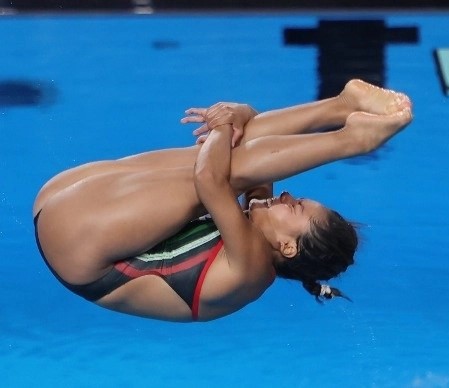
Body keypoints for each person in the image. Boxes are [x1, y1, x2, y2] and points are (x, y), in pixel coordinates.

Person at [33, 79, 413, 322]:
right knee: (240, 153)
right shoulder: (259, 237)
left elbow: (210, 179)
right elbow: (259, 166)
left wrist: (224, 123)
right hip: (68, 204)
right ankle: (340, 105)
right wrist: (245, 116)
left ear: (287, 247)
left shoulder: (249, 271)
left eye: (295, 206)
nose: (285, 196)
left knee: (226, 166)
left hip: (75, 242)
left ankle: (352, 140)